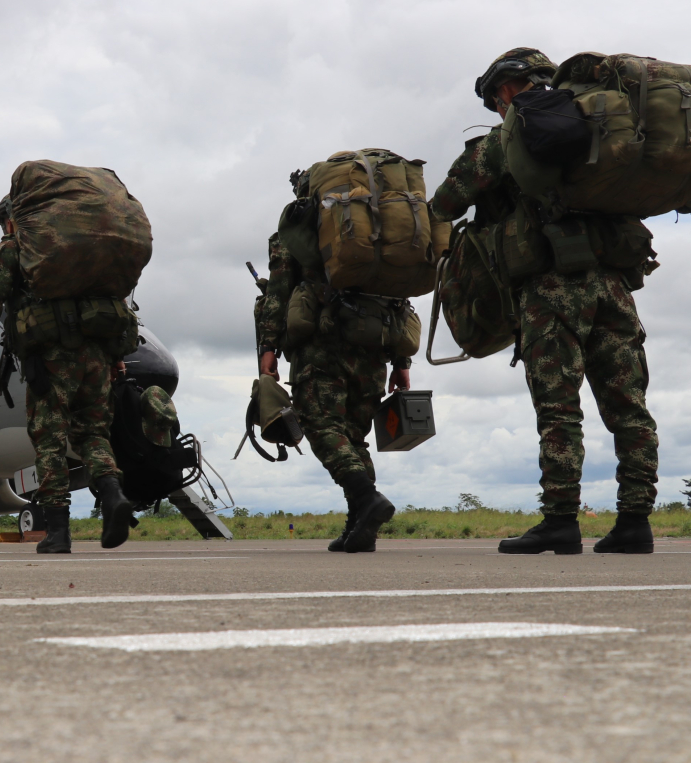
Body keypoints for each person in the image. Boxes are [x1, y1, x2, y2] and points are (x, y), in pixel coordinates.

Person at [430, 48, 659, 555]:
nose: (495, 107)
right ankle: (635, 521)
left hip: (552, 288)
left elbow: (445, 202)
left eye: (496, 96)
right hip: (615, 286)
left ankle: (560, 521)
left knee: (559, 407)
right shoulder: (603, 125)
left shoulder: (505, 141)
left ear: (508, 89)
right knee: (629, 404)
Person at [0, 199, 130, 554]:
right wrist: (116, 356)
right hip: (98, 355)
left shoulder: (15, 248)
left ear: (10, 222)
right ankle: (114, 494)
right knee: (93, 434)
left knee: (49, 439)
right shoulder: (82, 249)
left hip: (52, 357)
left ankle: (58, 533)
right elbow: (113, 302)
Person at [256, 225, 407, 554]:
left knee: (321, 425)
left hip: (322, 344)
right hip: (374, 343)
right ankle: (359, 525)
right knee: (353, 437)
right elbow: (399, 290)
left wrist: (268, 345)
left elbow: (279, 289)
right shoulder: (379, 226)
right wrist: (401, 360)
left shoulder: (301, 226)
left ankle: (367, 500)